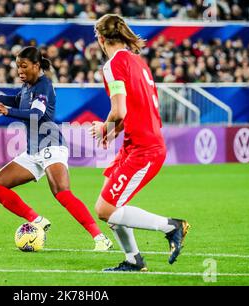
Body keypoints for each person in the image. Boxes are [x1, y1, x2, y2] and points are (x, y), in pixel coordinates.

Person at [0, 46, 113, 251]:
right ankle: (36, 220)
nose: (20, 71)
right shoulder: (27, 87)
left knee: (62, 193)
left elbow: (36, 114)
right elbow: (16, 100)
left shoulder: (44, 85)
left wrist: (8, 112)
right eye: (17, 67)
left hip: (51, 146)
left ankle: (100, 238)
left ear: (36, 65)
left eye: (24, 66)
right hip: (32, 151)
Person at [89, 14, 190, 271]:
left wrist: (104, 127)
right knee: (108, 199)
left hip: (144, 149)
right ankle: (133, 260)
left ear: (101, 39)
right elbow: (131, 110)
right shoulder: (138, 62)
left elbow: (119, 110)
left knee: (104, 209)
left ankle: (171, 226)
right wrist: (111, 134)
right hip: (135, 144)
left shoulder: (112, 66)